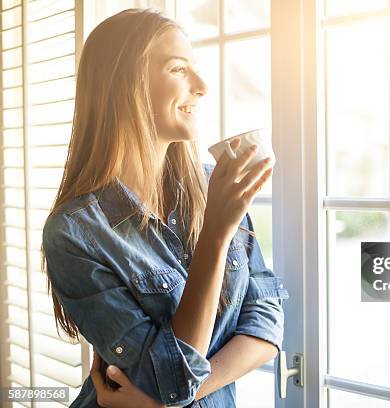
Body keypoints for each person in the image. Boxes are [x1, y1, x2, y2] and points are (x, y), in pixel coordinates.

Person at [41, 8, 288, 408]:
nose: (202, 86)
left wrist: (166, 400)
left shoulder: (214, 185)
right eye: (178, 69)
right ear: (127, 86)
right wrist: (216, 234)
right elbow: (173, 378)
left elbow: (266, 322)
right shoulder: (73, 233)